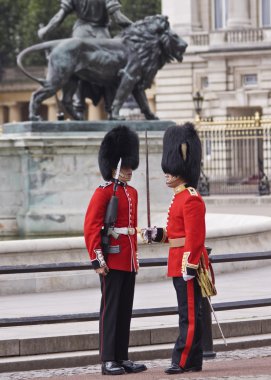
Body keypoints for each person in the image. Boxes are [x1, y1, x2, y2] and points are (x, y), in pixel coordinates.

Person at [141, 123, 209, 374]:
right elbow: (176, 234)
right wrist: (157, 234)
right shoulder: (180, 197)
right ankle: (194, 360)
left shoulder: (190, 198)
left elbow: (195, 236)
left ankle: (181, 359)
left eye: (170, 170)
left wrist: (190, 265)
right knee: (189, 312)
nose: (166, 174)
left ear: (180, 168)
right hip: (178, 261)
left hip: (186, 264)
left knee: (189, 314)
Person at [84, 125, 147, 376]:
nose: (130, 171)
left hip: (128, 259)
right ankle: (108, 358)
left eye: (131, 166)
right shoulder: (103, 193)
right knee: (110, 311)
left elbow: (130, 228)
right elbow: (91, 228)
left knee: (125, 310)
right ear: (114, 166)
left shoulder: (132, 192)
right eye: (126, 166)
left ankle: (122, 356)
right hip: (111, 259)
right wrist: (97, 259)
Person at [38, 0, 132, 119]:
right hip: (102, 36)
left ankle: (79, 110)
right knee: (110, 70)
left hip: (80, 34)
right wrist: (141, 28)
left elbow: (58, 17)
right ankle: (111, 111)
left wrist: (45, 30)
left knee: (77, 71)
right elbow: (119, 18)